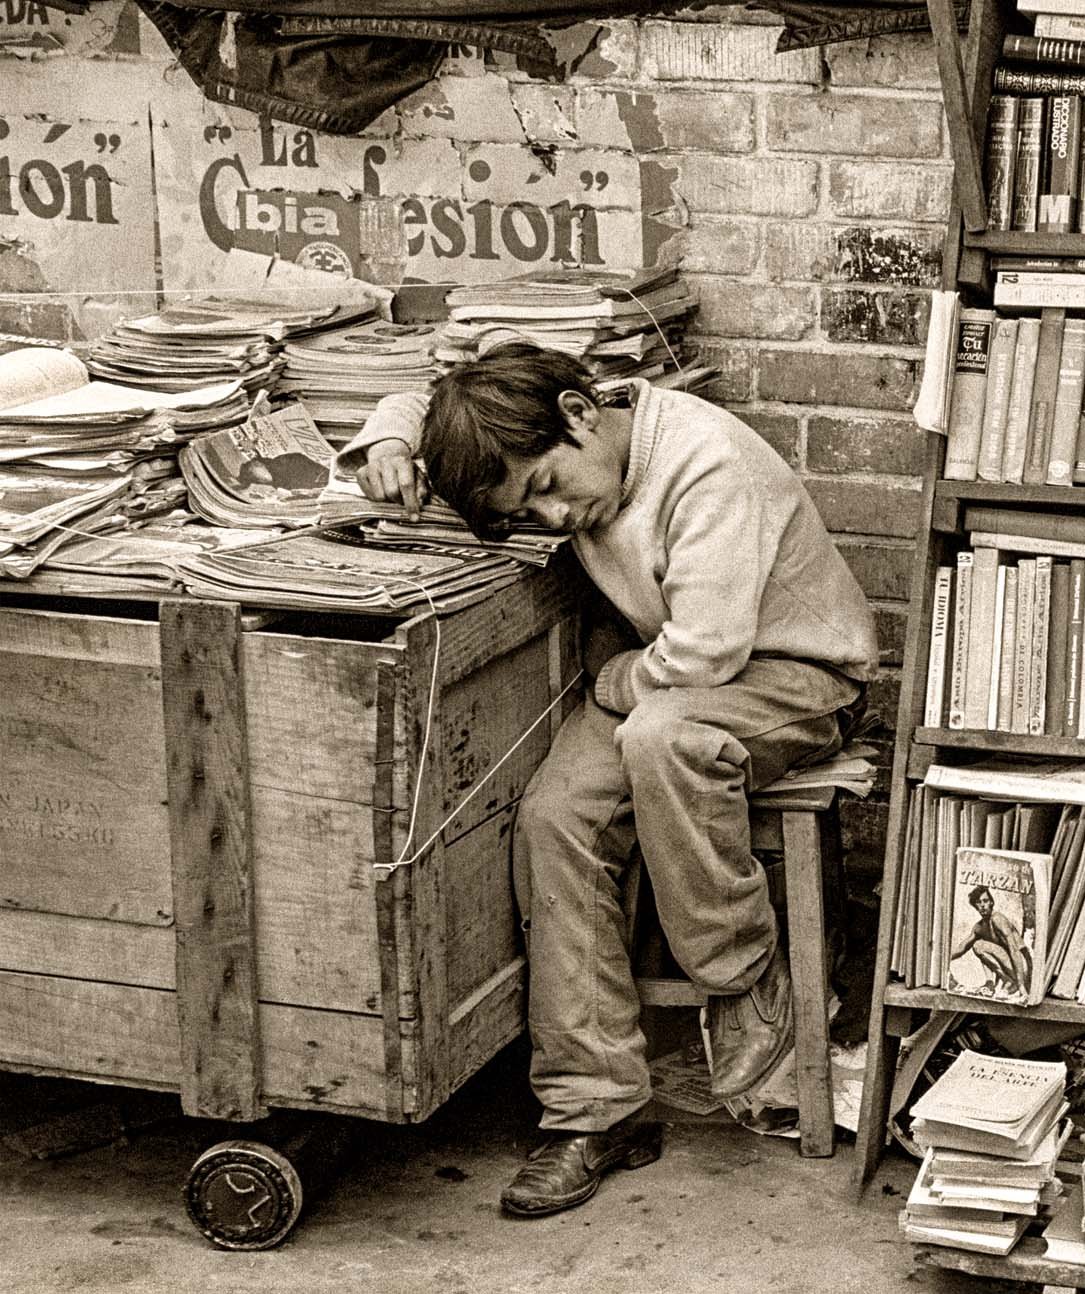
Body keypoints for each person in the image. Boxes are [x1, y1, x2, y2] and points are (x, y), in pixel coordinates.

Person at [342, 344, 877, 1217]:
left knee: (665, 737)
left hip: (796, 676)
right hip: (663, 678)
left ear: (582, 413)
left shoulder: (706, 463)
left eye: (550, 485)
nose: (554, 517)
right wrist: (392, 440)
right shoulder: (550, 423)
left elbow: (706, 654)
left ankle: (743, 980)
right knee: (555, 815)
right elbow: (426, 388)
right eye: (529, 510)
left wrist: (613, 683)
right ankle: (598, 1107)